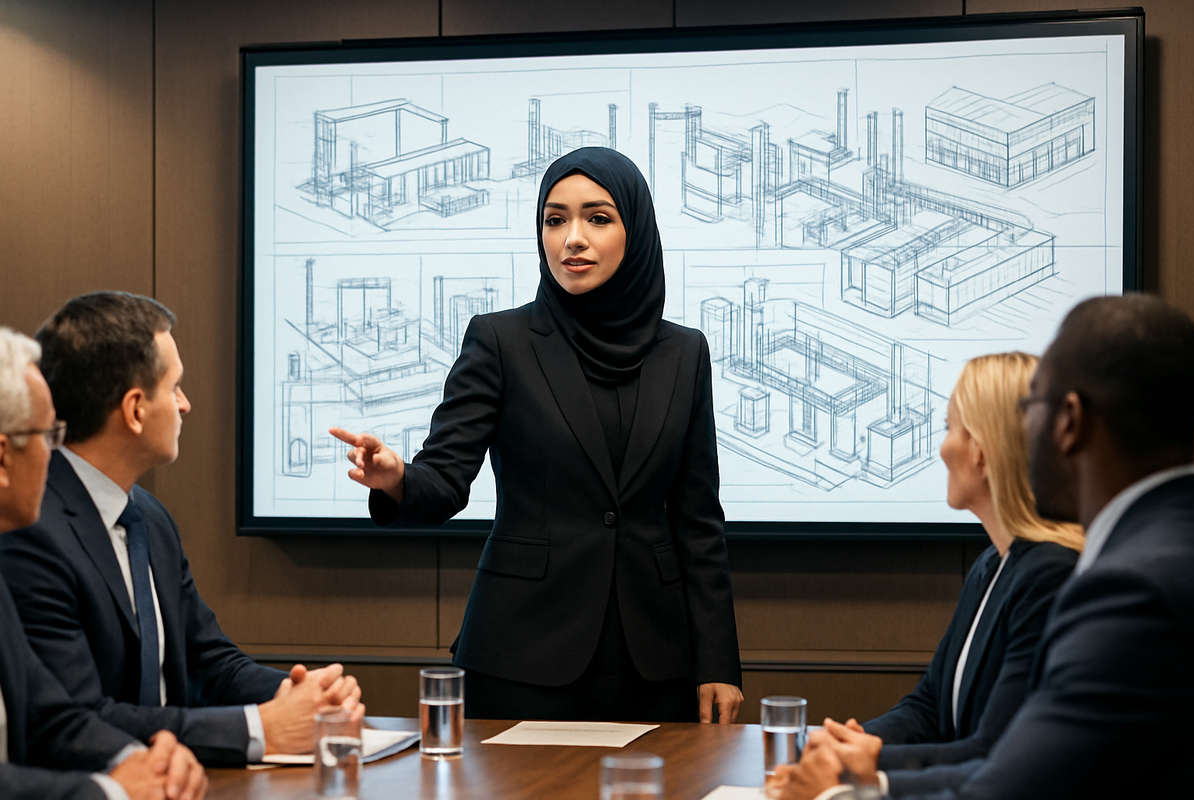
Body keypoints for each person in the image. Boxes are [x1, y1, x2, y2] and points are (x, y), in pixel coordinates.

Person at [331, 146, 743, 723]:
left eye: (597, 218)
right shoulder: (500, 341)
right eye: (555, 219)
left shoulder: (685, 353)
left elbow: (698, 521)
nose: (572, 238)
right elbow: (445, 478)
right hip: (520, 653)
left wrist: (718, 661)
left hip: (656, 658)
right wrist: (397, 479)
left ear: (635, 231)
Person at [768, 293, 1194, 799]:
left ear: (1069, 421)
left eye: (1031, 409)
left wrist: (845, 790)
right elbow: (947, 717)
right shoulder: (1145, 552)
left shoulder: (1123, 586)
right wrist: (861, 762)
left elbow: (1012, 778)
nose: (1025, 432)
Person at [0, 293, 365, 768]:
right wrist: (260, 728)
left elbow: (205, 660)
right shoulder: (29, 527)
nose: (186, 404)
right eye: (174, 387)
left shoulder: (147, 516)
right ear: (135, 410)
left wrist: (300, 694)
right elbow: (74, 720)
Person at [848, 354, 1080, 789]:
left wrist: (864, 763)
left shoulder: (1051, 574)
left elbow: (994, 751)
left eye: (949, 428)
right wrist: (857, 741)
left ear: (982, 451)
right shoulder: (991, 564)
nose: (941, 448)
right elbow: (929, 706)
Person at [0, 325, 208, 800]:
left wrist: (141, 763)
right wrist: (113, 791)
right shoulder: (28, 543)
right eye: (46, 436)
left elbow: (51, 717)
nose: (54, 455)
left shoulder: (151, 517)